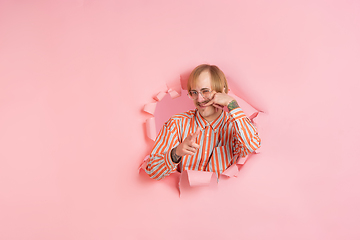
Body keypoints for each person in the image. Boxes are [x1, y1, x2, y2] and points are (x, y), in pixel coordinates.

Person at [145, 64, 261, 180]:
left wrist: (232, 104)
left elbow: (251, 146)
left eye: (205, 91)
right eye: (194, 92)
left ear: (222, 90)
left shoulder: (234, 125)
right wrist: (176, 153)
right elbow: (152, 171)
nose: (199, 99)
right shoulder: (176, 123)